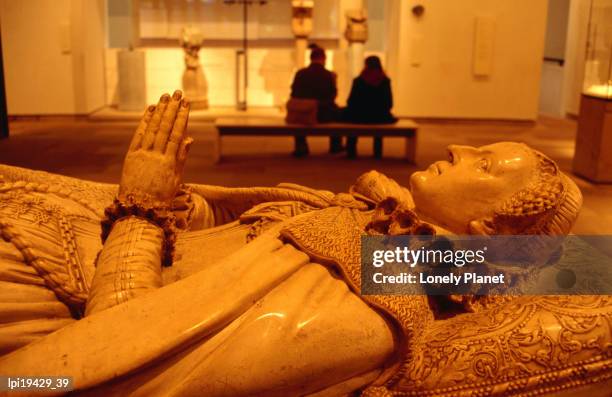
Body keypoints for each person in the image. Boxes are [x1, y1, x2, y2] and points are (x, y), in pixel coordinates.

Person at [3, 92, 609, 397]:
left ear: (485, 234)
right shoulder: (356, 215)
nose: (459, 149)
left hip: (44, 295)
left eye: (484, 165)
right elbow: (221, 227)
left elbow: (113, 367)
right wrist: (179, 203)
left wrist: (141, 207)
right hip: (66, 235)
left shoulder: (371, 305)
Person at [289, 45, 342, 157]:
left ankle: (301, 146)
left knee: (300, 113)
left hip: (303, 114)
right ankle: (335, 145)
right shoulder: (329, 75)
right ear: (324, 58)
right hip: (323, 115)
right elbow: (332, 96)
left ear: (311, 58)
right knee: (337, 111)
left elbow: (294, 94)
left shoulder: (300, 73)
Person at [344, 55, 397, 158]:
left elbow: (350, 102)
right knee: (380, 118)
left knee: (349, 115)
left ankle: (351, 151)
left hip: (359, 117)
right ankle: (377, 152)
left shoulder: (358, 81)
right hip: (380, 117)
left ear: (366, 65)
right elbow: (389, 103)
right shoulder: (385, 81)